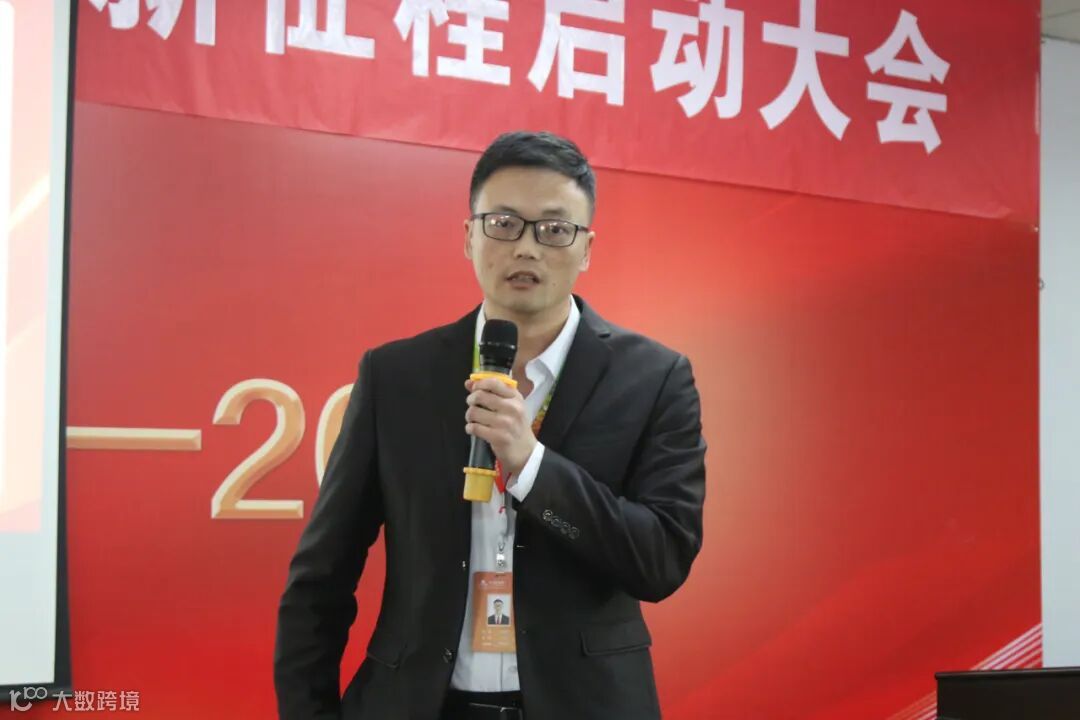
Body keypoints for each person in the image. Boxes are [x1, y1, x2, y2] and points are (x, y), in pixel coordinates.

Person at [274, 130, 707, 720]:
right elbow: (322, 579)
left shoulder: (654, 378)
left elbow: (660, 561)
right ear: (469, 236)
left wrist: (532, 465)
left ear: (586, 249)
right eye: (503, 224)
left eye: (553, 229)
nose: (526, 248)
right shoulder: (397, 375)